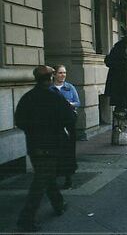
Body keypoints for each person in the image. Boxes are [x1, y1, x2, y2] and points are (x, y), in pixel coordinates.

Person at [15, 66, 77, 232]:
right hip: (51, 145)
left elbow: (19, 121)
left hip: (34, 145)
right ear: (50, 78)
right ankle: (26, 218)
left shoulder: (28, 98)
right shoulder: (54, 97)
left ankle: (58, 204)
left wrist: (33, 130)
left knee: (46, 176)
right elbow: (69, 119)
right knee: (41, 181)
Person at [50, 65, 80, 190]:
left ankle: (68, 177)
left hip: (68, 121)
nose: (63, 75)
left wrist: (70, 104)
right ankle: (56, 174)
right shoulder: (50, 89)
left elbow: (78, 102)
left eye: (64, 73)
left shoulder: (69, 87)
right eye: (60, 73)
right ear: (54, 75)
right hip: (55, 123)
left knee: (69, 149)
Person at [104, 33, 127, 110]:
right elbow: (122, 61)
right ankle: (122, 109)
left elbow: (121, 60)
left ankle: (121, 108)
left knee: (120, 95)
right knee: (120, 94)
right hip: (118, 76)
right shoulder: (121, 48)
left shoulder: (119, 47)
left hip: (117, 75)